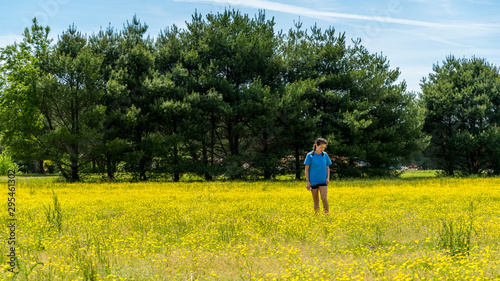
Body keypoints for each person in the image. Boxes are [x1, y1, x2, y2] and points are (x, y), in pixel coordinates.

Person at [304, 138, 332, 214]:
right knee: (316, 201)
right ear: (316, 145)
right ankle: (317, 218)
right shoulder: (310, 155)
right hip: (313, 181)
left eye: (324, 147)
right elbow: (306, 169)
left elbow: (327, 167)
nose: (322, 149)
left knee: (324, 198)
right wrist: (308, 182)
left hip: (323, 180)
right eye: (321, 147)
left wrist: (328, 178)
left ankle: (327, 216)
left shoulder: (325, 155)